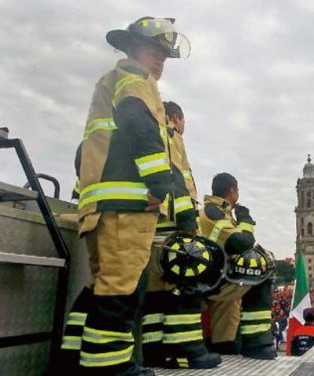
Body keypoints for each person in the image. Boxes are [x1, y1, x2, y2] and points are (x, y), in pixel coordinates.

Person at [57, 16, 192, 376]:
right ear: (132, 50)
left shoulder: (110, 82)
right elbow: (139, 127)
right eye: (153, 52)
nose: (160, 62)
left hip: (104, 206)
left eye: (164, 56)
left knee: (101, 286)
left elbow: (87, 150)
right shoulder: (135, 82)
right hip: (126, 208)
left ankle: (74, 358)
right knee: (120, 289)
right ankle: (109, 368)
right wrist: (160, 186)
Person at [140, 101, 221, 369]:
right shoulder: (169, 134)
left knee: (153, 294)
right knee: (182, 286)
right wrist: (188, 221)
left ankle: (153, 351)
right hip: (172, 224)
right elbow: (178, 181)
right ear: (176, 117)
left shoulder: (142, 131)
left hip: (148, 225)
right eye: (183, 121)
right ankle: (186, 351)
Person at [199, 173, 277, 359]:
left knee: (231, 302)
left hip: (216, 275)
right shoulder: (212, 211)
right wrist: (246, 221)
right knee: (258, 275)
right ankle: (257, 342)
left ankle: (224, 344)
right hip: (211, 279)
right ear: (232, 190)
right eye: (238, 190)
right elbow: (241, 242)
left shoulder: (220, 212)